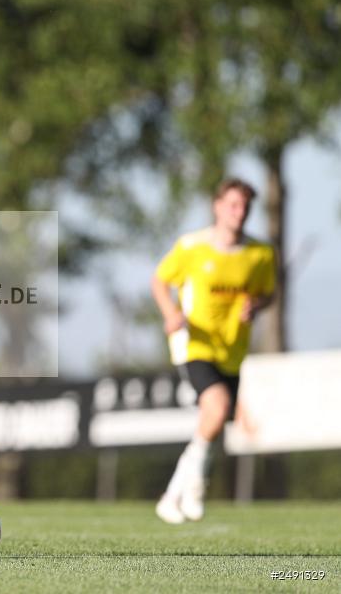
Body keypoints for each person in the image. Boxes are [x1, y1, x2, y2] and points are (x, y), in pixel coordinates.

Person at [152, 178, 275, 524]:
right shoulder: (192, 247)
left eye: (246, 206)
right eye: (233, 205)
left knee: (214, 423)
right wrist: (172, 314)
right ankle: (182, 491)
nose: (240, 212)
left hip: (233, 350)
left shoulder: (260, 254)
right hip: (194, 344)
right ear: (217, 206)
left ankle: (187, 489)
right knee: (217, 407)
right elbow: (159, 280)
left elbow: (269, 293)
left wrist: (257, 305)